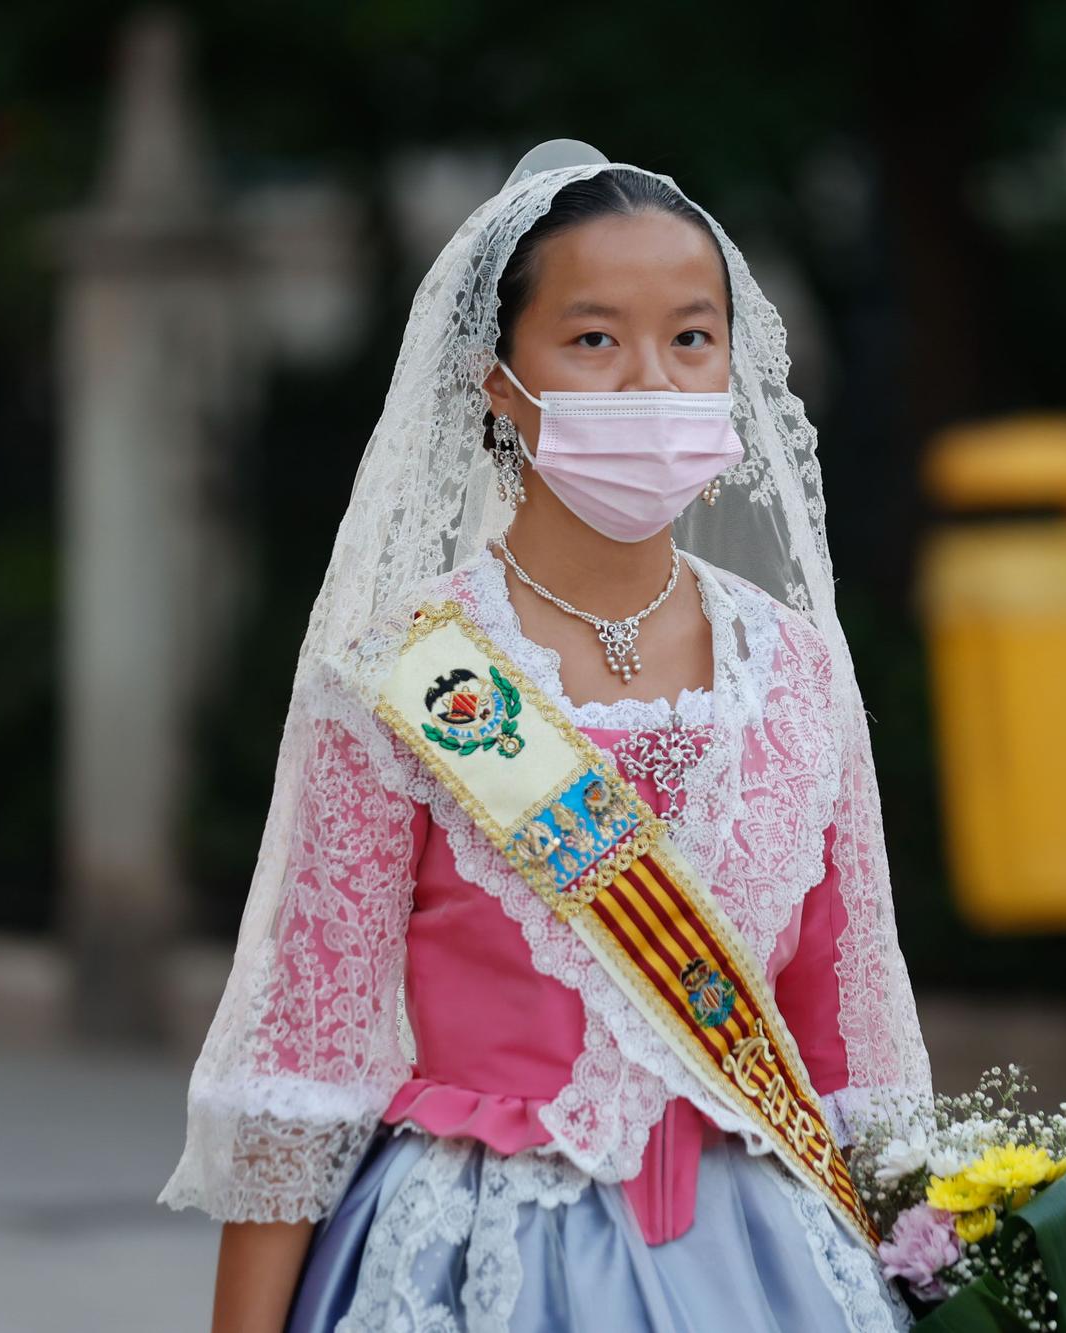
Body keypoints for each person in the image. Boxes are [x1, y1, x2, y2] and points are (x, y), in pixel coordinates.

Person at [159, 141, 933, 1332]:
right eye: (591, 340)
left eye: (688, 338)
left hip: (765, 1263)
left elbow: (854, 1041)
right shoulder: (408, 673)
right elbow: (306, 1060)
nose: (649, 383)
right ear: (495, 382)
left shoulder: (794, 670)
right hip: (478, 1261)